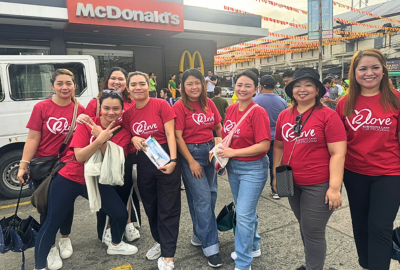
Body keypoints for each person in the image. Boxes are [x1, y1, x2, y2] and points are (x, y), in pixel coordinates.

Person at [32, 91, 139, 270]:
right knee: (52, 222)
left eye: (115, 108)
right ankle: (39, 266)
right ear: (100, 108)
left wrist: (102, 138)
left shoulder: (123, 132)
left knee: (120, 214)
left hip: (96, 179)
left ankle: (115, 244)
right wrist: (99, 138)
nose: (110, 112)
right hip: (69, 178)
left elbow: (113, 162)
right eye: (106, 108)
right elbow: (80, 156)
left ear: (122, 110)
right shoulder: (87, 122)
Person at [273, 68, 347, 270]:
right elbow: (279, 146)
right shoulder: (284, 116)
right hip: (289, 180)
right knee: (305, 227)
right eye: (297, 85)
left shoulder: (328, 116)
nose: (302, 89)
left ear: (317, 90)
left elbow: (338, 153)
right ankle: (311, 264)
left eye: (308, 85)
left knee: (312, 230)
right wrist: (275, 176)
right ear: (291, 90)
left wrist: (334, 188)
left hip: (318, 184)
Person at [336, 49, 400, 270]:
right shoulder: (343, 103)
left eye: (375, 67)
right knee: (360, 224)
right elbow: (337, 144)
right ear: (354, 73)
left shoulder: (397, 100)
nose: (369, 73)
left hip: (390, 173)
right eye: (363, 68)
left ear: (384, 71)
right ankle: (366, 265)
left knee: (380, 226)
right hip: (354, 173)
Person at [17, 69, 85, 270]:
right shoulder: (42, 107)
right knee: (46, 207)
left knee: (67, 204)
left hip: (68, 165)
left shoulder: (79, 110)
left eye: (69, 83)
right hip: (44, 167)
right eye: (60, 83)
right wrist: (23, 165)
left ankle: (65, 238)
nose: (65, 87)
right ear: (52, 85)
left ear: (74, 85)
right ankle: (51, 246)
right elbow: (33, 138)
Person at [123, 71, 181, 270]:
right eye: (134, 84)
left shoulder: (161, 104)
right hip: (144, 161)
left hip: (165, 157)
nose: (138, 87)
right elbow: (125, 133)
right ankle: (160, 240)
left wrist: (173, 159)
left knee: (168, 207)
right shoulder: (128, 114)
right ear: (128, 88)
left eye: (142, 83)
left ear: (150, 86)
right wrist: (133, 138)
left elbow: (170, 133)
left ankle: (168, 256)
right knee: (151, 206)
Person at [217, 70, 271, 270]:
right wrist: (222, 150)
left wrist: (232, 151)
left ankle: (243, 262)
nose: (242, 89)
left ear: (256, 89)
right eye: (239, 85)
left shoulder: (258, 112)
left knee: (244, 214)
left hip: (253, 169)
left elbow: (264, 145)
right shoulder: (231, 109)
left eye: (248, 86)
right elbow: (227, 136)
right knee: (245, 211)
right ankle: (253, 245)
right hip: (234, 168)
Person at [81, 67, 141, 246]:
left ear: (126, 83)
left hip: (127, 154)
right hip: (102, 154)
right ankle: (108, 227)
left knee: (127, 191)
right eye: (113, 78)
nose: (117, 82)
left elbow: (134, 127)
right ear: (106, 81)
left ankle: (128, 223)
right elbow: (89, 124)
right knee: (108, 194)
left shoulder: (132, 103)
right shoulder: (96, 102)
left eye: (121, 79)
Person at [174, 68, 223, 268]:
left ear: (203, 85)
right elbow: (178, 136)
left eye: (197, 83)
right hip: (191, 154)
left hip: (211, 152)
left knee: (210, 195)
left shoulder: (209, 103)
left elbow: (218, 126)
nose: (194, 87)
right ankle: (211, 246)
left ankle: (198, 233)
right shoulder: (179, 106)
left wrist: (219, 141)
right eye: (189, 83)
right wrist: (191, 161)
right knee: (202, 199)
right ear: (183, 87)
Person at [253, 75, 288, 200]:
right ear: (275, 87)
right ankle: (279, 190)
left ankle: (253, 191)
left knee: (257, 164)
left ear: (260, 87)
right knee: (278, 163)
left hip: (259, 139)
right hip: (278, 138)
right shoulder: (282, 101)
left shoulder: (255, 101)